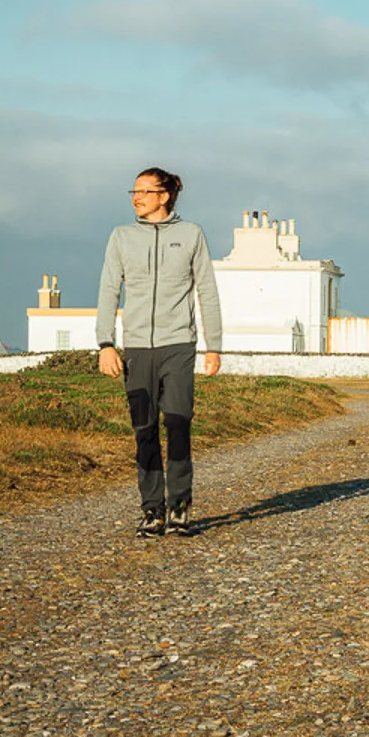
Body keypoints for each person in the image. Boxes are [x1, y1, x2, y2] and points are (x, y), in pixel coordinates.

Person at [97, 168, 223, 537]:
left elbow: (208, 292)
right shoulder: (121, 237)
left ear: (164, 196)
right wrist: (105, 343)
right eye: (133, 191)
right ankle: (152, 510)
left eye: (144, 191)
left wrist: (213, 346)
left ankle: (180, 506)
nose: (136, 197)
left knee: (179, 424)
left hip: (178, 346)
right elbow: (108, 290)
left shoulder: (191, 235)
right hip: (137, 348)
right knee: (144, 430)